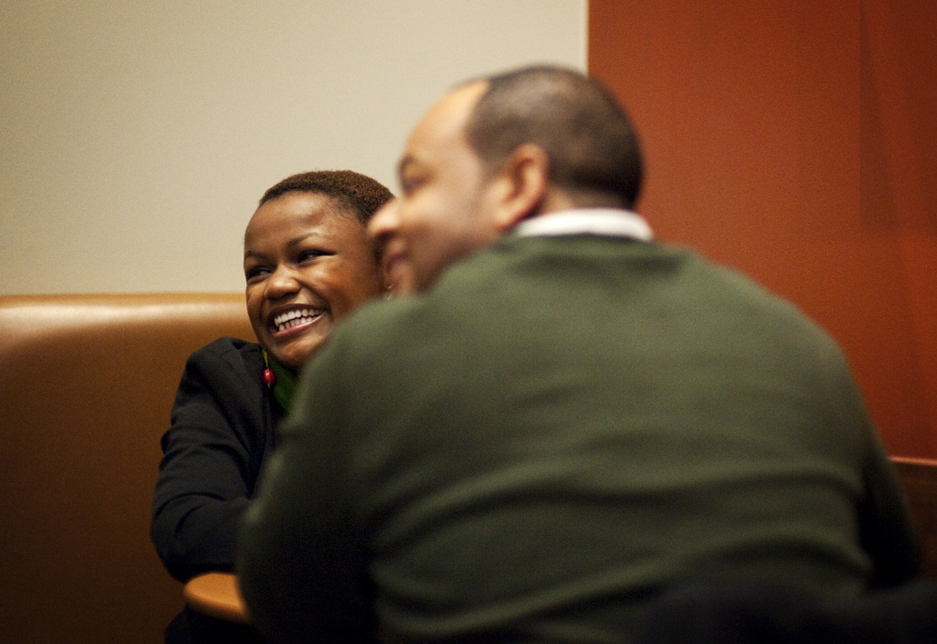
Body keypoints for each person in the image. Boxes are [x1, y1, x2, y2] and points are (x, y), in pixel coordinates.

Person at [237, 66, 921, 643]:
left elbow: (291, 601)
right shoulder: (795, 339)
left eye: (417, 186)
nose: (388, 218)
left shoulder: (381, 350)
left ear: (519, 183)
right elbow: (890, 570)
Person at [151, 170, 393, 642]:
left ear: (389, 270)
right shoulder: (226, 380)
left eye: (308, 256)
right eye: (257, 271)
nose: (277, 285)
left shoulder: (450, 380)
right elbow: (185, 526)